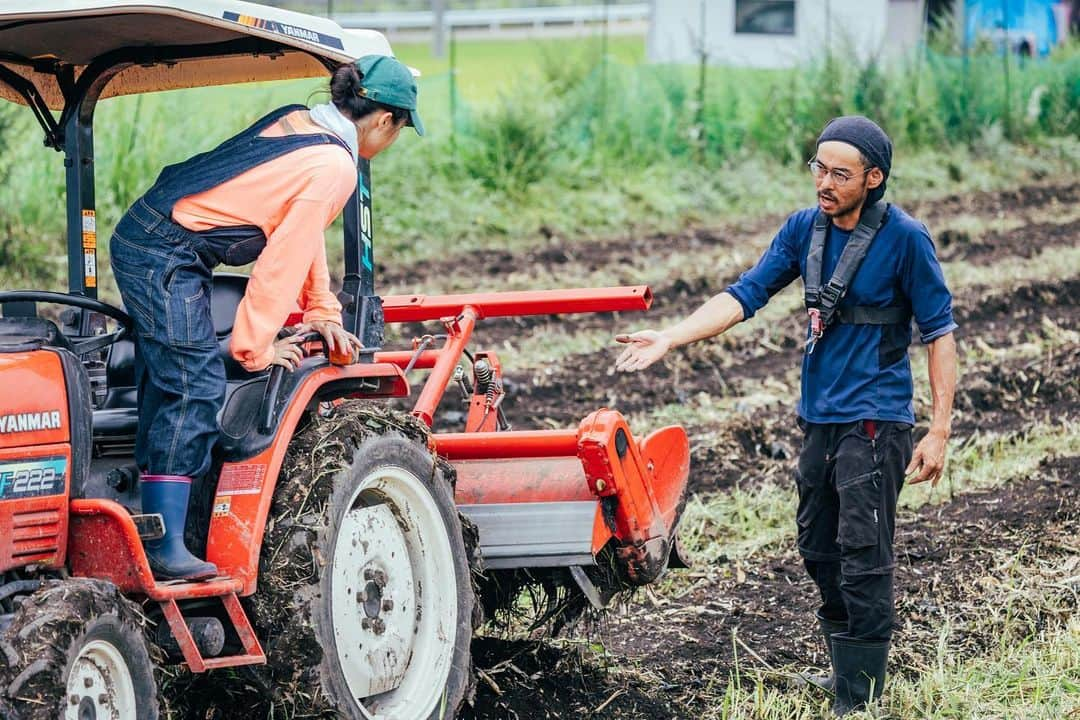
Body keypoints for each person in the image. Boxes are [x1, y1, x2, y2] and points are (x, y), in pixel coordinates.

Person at [614, 116, 957, 716]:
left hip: (877, 418)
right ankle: (846, 664)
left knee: (862, 548)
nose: (824, 182)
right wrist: (672, 337)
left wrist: (939, 428)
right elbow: (742, 295)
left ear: (873, 179)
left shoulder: (906, 238)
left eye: (839, 174)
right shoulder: (805, 230)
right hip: (819, 416)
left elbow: (940, 335)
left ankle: (861, 692)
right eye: (818, 168)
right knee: (817, 545)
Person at [109, 55, 423, 582]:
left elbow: (303, 231)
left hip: (156, 238)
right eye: (398, 132)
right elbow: (279, 264)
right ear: (386, 120)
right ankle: (162, 546)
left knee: (168, 378)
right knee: (195, 384)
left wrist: (323, 310)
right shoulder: (336, 165)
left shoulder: (302, 121)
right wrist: (256, 348)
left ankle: (154, 521)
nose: (390, 144)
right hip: (164, 253)